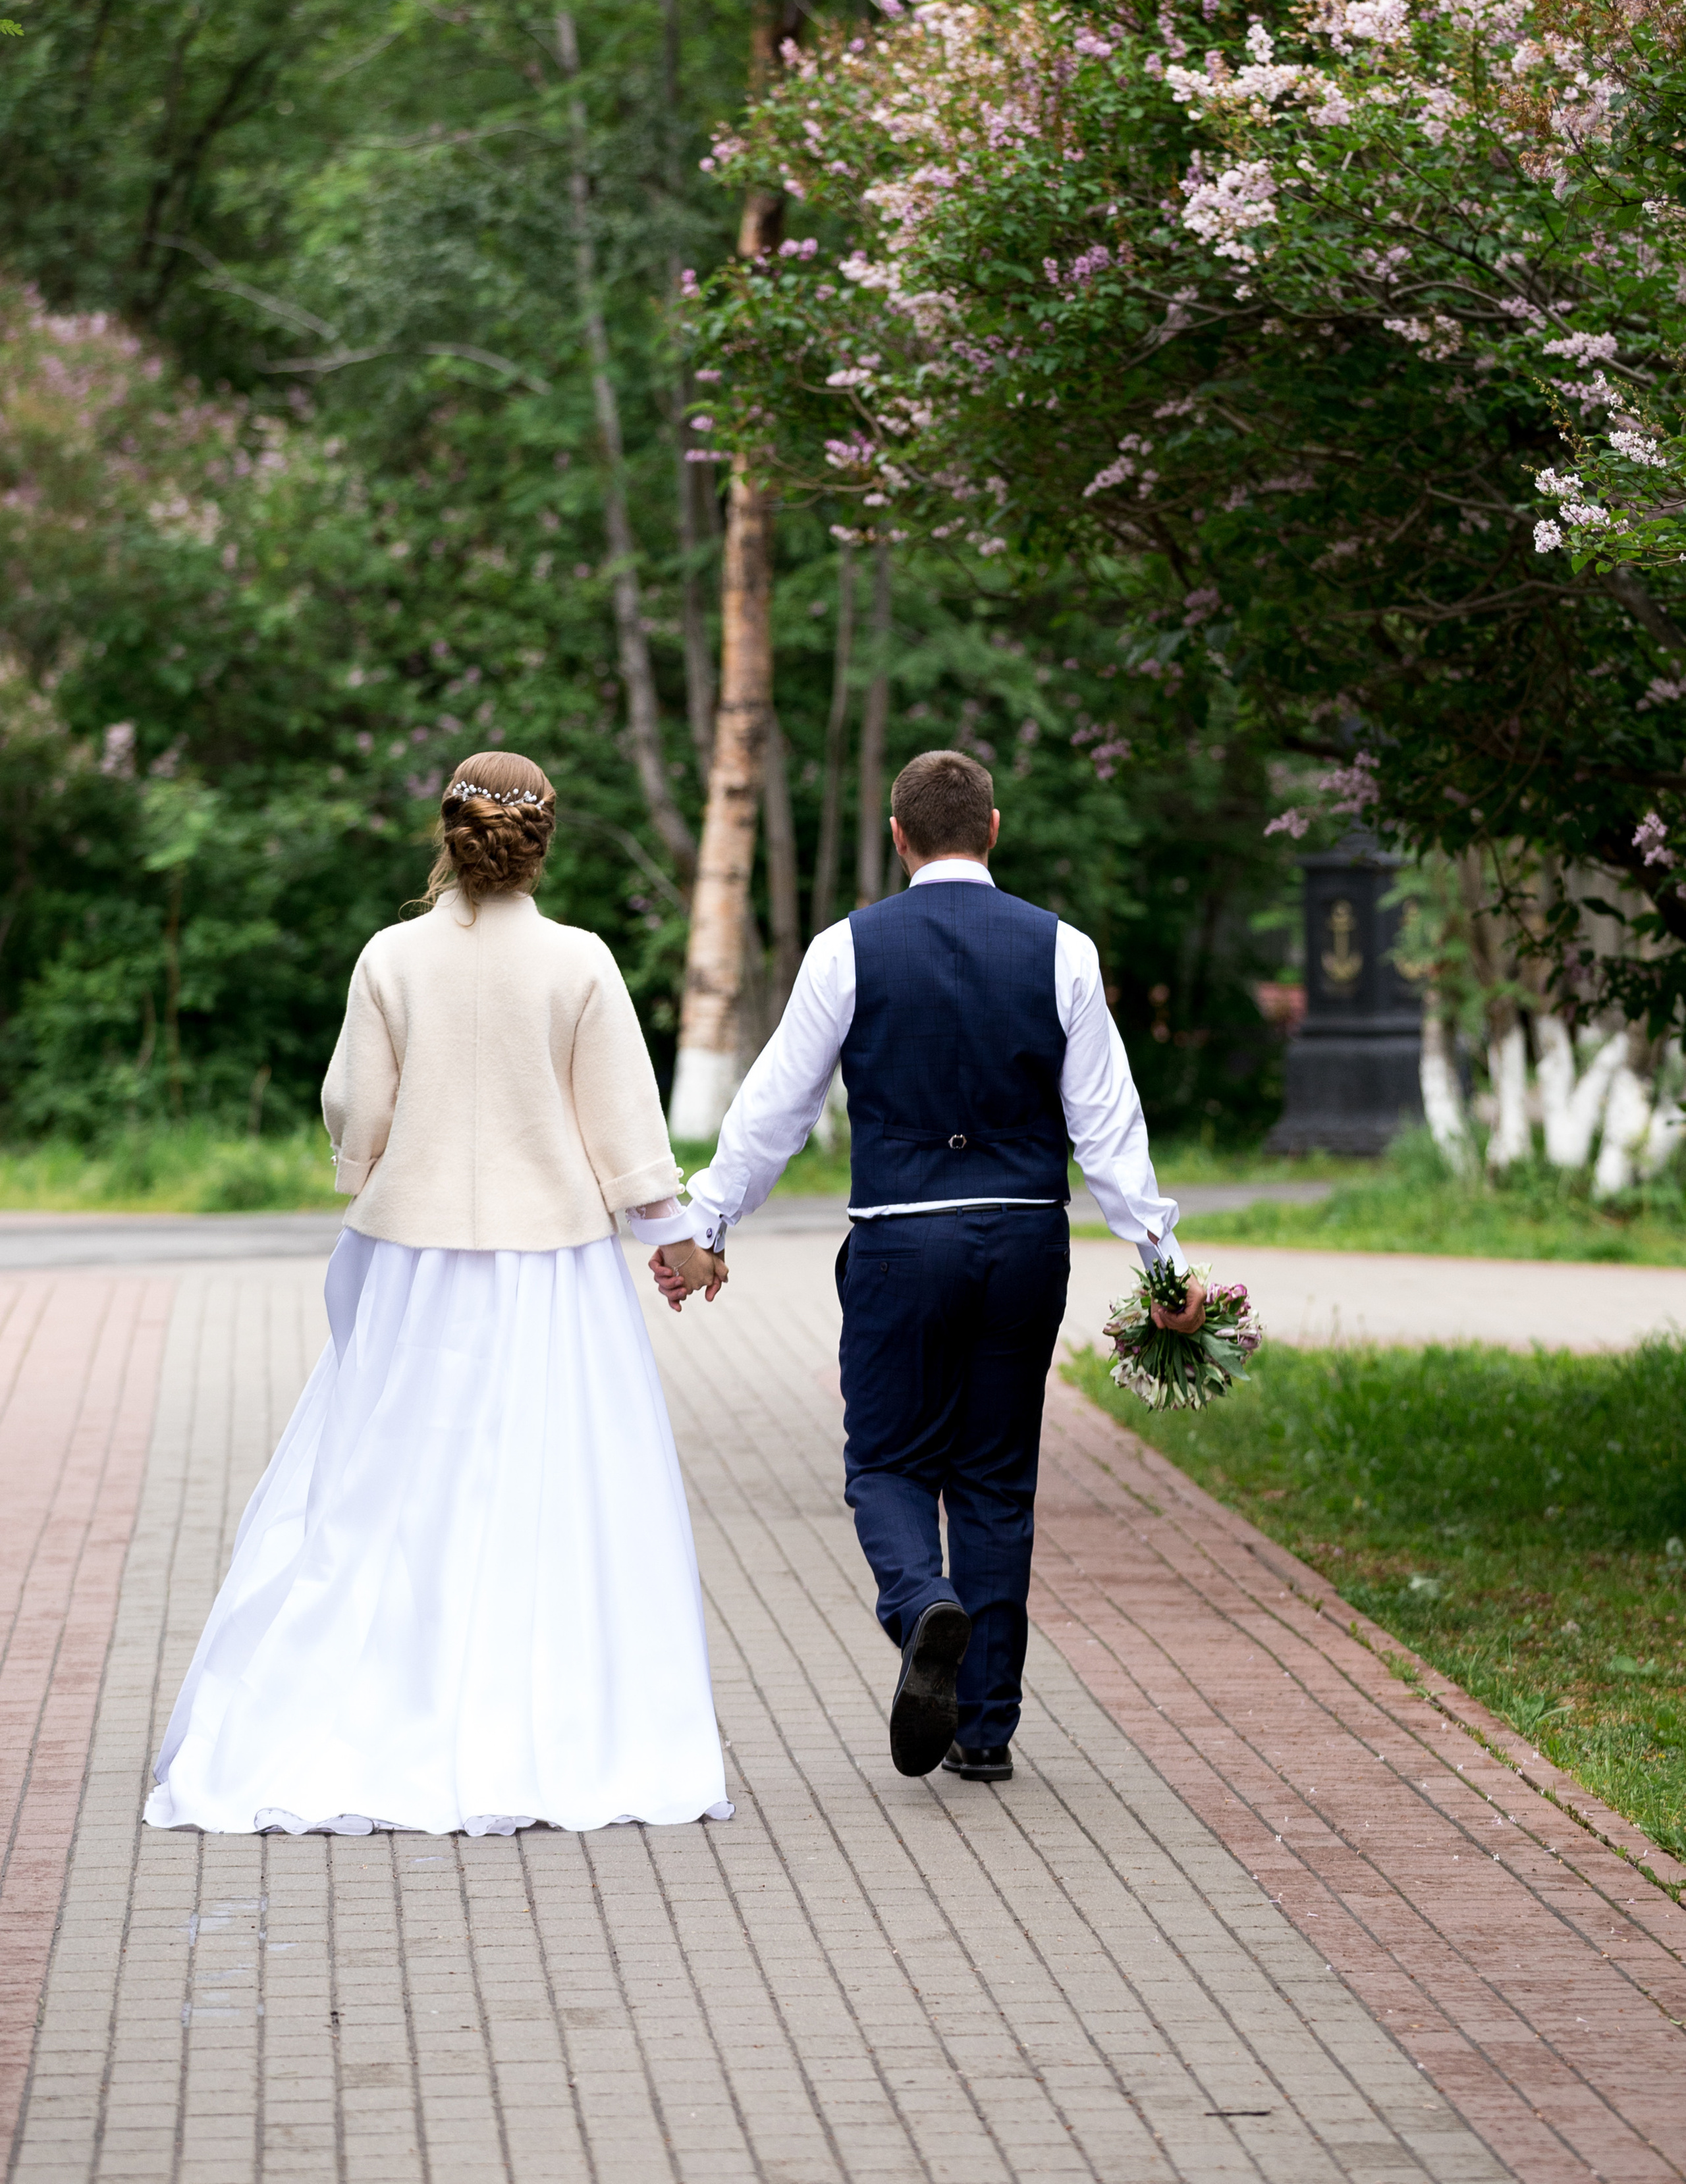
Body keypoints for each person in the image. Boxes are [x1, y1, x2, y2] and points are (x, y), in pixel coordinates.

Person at [144, 750, 730, 1839]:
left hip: (414, 1262)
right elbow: (628, 1136)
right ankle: (541, 1727)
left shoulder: (390, 957)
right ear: (543, 837)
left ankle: (371, 1712)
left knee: (390, 1488)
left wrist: (366, 1171)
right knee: (547, 1490)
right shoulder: (582, 963)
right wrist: (682, 1245)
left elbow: (357, 1108)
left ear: (447, 832)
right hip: (548, 1268)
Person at [653, 749, 1203, 1786]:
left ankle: (921, 1606)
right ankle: (985, 1730)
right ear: (992, 830)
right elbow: (1110, 1130)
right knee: (996, 1481)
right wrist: (1167, 1273)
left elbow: (778, 1106)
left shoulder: (848, 949)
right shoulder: (1064, 952)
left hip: (903, 1238)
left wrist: (709, 1220)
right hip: (1026, 1239)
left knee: (889, 1464)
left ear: (899, 838)